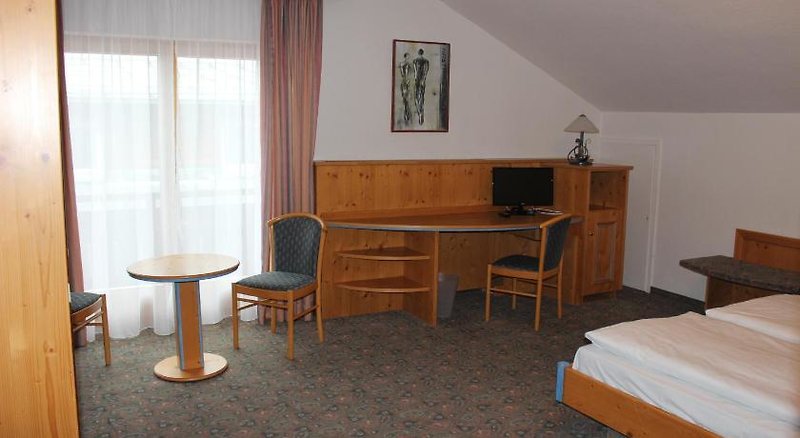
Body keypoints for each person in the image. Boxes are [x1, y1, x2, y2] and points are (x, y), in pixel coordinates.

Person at [413, 48, 429, 125]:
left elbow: (416, 72)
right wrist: (423, 80)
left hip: (418, 80)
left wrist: (418, 79)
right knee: (421, 96)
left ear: (418, 53)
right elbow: (425, 72)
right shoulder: (426, 61)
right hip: (421, 80)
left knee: (417, 97)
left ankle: (420, 112)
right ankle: (420, 112)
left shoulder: (416, 61)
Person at [398, 52, 412, 124]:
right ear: (405, 56)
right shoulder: (405, 64)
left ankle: (406, 114)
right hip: (405, 82)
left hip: (406, 82)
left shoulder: (405, 64)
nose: (408, 58)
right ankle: (406, 114)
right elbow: (403, 73)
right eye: (408, 56)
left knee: (407, 99)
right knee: (405, 98)